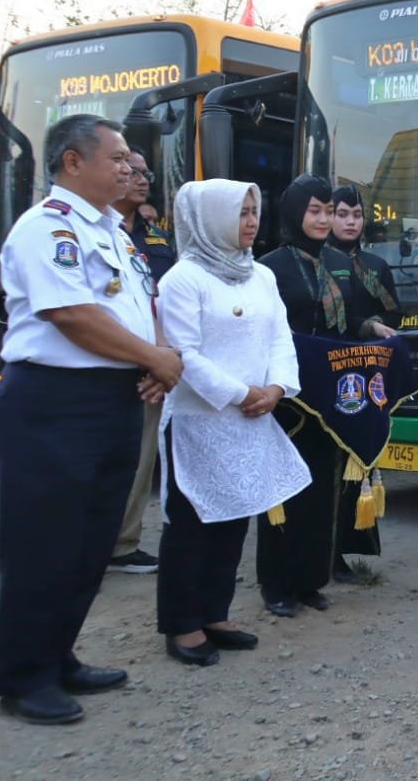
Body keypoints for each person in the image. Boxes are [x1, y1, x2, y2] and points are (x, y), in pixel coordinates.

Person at [0, 114, 183, 725]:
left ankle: (56, 654)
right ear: (74, 162)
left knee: (91, 544)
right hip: (53, 402)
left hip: (111, 396)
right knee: (44, 544)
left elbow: (134, 304)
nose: (129, 167)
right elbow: (71, 314)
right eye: (118, 157)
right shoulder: (47, 228)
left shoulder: (116, 233)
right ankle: (23, 678)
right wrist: (155, 358)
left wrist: (156, 360)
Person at [154, 179, 311, 666]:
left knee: (235, 516)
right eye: (241, 213)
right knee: (193, 521)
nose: (251, 222)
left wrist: (278, 388)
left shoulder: (259, 275)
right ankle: (182, 623)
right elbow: (184, 355)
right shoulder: (183, 279)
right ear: (211, 219)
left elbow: (281, 338)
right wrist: (242, 393)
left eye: (253, 211)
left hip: (253, 415)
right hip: (202, 419)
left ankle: (215, 613)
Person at [255, 175, 392, 618]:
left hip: (333, 394)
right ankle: (276, 584)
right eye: (315, 210)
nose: (324, 219)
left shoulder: (339, 261)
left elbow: (351, 319)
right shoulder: (269, 267)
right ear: (295, 212)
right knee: (284, 488)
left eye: (329, 211)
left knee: (322, 487)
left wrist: (372, 329)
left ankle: (310, 579)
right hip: (287, 395)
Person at [107, 150, 178, 576]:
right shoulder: (92, 232)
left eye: (146, 173)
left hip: (153, 367)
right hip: (109, 362)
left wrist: (164, 358)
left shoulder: (156, 237)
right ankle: (92, 547)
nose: (141, 179)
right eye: (132, 171)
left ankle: (123, 544)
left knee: (142, 458)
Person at [327, 184, 401, 583]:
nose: (350, 222)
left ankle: (346, 552)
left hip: (368, 378)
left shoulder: (376, 266)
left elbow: (396, 316)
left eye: (356, 215)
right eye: (342, 214)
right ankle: (326, 554)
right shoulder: (317, 261)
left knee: (360, 464)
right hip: (328, 376)